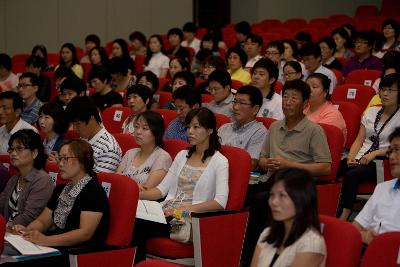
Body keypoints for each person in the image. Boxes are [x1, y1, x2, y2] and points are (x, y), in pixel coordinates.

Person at [135, 107, 229, 262]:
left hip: (188, 218)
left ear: (210, 130)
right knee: (134, 219)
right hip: (166, 212)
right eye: (188, 127)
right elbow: (161, 190)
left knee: (139, 226)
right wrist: (136, 194)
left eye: (196, 127)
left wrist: (182, 210)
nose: (190, 132)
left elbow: (220, 202)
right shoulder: (182, 155)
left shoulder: (220, 161)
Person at [12, 139, 109, 266]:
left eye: (65, 158)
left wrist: (46, 240)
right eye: (59, 159)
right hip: (55, 246)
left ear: (82, 161)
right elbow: (43, 221)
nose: (60, 164)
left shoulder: (94, 191)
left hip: (78, 253)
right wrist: (27, 231)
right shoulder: (60, 189)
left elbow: (84, 233)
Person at [337, 73, 400, 220]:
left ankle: (344, 216)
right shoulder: (371, 111)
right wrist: (351, 157)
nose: (384, 93)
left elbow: (398, 146)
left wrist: (375, 153)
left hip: (380, 162)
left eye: (390, 90)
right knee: (335, 168)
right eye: (383, 89)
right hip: (360, 157)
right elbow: (359, 140)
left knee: (352, 175)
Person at [250, 168, 326, 267]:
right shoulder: (268, 232)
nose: (274, 202)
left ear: (301, 198)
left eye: (282, 195)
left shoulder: (312, 244)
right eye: (272, 195)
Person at [258, 79, 331, 180]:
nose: (287, 102)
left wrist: (290, 165)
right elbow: (262, 158)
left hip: (296, 185)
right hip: (270, 180)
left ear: (305, 104)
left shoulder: (315, 130)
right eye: (285, 97)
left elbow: (325, 168)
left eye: (294, 98)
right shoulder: (274, 126)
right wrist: (266, 163)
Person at [352, 127, 400, 244]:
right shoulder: (382, 188)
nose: (392, 157)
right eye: (390, 151)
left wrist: (380, 242)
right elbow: (355, 228)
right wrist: (364, 236)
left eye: (397, 150)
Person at [0, 129, 53, 227]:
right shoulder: (14, 179)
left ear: (34, 153)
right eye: (11, 149)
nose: (13, 153)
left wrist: (6, 227)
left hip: (26, 236)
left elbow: (29, 216)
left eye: (19, 149)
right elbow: (1, 204)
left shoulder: (42, 180)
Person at [117, 111, 172, 190]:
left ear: (156, 132)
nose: (138, 132)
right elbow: (116, 180)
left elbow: (146, 189)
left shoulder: (162, 157)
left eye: (144, 128)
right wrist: (135, 186)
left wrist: (125, 184)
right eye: (136, 126)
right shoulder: (130, 153)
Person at [65, 96, 122, 173]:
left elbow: (99, 182)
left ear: (91, 118)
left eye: (78, 124)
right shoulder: (83, 138)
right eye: (73, 124)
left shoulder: (108, 148)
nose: (74, 129)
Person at [218, 85, 267, 170]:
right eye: (235, 102)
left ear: (255, 109)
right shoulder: (224, 128)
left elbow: (251, 164)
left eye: (242, 103)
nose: (236, 107)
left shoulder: (260, 132)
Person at [304, 73, 347, 144]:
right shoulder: (303, 107)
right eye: (307, 86)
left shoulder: (332, 114)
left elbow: (318, 140)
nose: (309, 90)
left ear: (325, 92)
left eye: (314, 87)